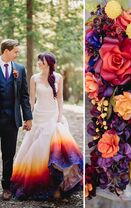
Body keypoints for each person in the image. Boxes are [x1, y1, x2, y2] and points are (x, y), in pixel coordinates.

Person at [11, 52, 83, 200]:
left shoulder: (58, 78)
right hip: (38, 116)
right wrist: (28, 118)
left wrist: (60, 115)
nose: (39, 63)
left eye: (41, 61)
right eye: (38, 60)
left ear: (49, 63)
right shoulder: (34, 78)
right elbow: (31, 100)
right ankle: (39, 183)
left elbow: (61, 98)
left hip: (53, 116)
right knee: (37, 150)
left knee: (55, 150)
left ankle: (56, 185)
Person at [0, 39, 32, 200]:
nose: (17, 54)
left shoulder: (19, 69)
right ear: (6, 51)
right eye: (15, 51)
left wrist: (28, 118)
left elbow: (24, 96)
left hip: (11, 120)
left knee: (8, 154)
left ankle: (6, 187)